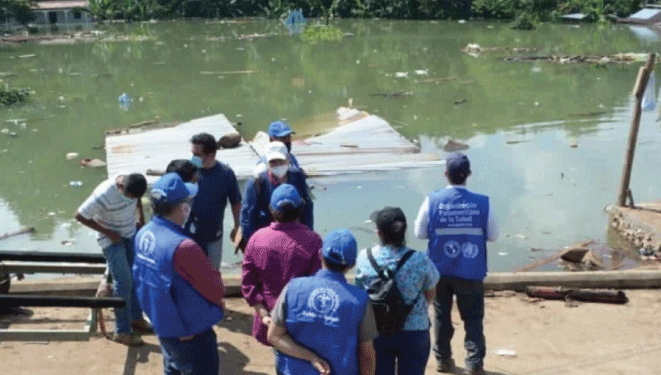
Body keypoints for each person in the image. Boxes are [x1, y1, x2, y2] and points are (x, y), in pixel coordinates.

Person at [414, 153, 499, 375]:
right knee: (472, 318)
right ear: (469, 174)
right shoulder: (482, 202)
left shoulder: (431, 200)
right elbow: (493, 235)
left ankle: (443, 361)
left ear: (446, 174)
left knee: (441, 315)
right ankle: (474, 364)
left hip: (439, 270)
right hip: (471, 270)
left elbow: (419, 233)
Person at [133, 173, 225, 375]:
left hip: (164, 327)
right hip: (190, 333)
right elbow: (215, 290)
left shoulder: (143, 234)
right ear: (183, 207)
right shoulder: (184, 246)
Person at [267, 229, 377, 375]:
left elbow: (274, 336)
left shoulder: (293, 288)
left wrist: (311, 357)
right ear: (352, 265)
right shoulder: (359, 300)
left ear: (320, 255)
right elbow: (366, 355)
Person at [355, 207, 439, 375]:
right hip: (415, 331)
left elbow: (360, 294)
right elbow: (430, 294)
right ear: (404, 231)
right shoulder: (420, 259)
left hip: (377, 330)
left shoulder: (365, 257)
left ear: (379, 233)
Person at [74, 173, 151, 346]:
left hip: (130, 233)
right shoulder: (104, 194)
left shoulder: (133, 185)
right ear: (121, 187)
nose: (130, 200)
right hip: (111, 240)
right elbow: (79, 215)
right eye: (128, 196)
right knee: (123, 282)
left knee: (134, 277)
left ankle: (136, 318)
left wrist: (140, 219)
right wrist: (108, 232)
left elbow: (136, 200)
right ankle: (122, 331)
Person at [241, 183, 322, 347]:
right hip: (300, 320)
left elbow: (247, 284)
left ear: (271, 209)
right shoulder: (313, 240)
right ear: (301, 209)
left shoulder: (257, 238)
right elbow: (318, 284)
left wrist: (262, 312)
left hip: (268, 319)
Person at [188, 132, 242, 269]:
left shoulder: (225, 174)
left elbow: (235, 202)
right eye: (192, 153)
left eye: (197, 155)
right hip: (189, 234)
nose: (193, 158)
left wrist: (237, 227)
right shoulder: (188, 171)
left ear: (212, 154)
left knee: (212, 273)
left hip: (214, 234)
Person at [240, 141, 313, 242]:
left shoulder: (298, 177)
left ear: (288, 159)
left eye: (280, 160)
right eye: (273, 162)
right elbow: (247, 216)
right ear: (266, 162)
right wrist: (252, 244)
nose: (277, 164)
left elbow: (308, 207)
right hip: (266, 240)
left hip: (296, 238)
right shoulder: (256, 183)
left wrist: (308, 236)